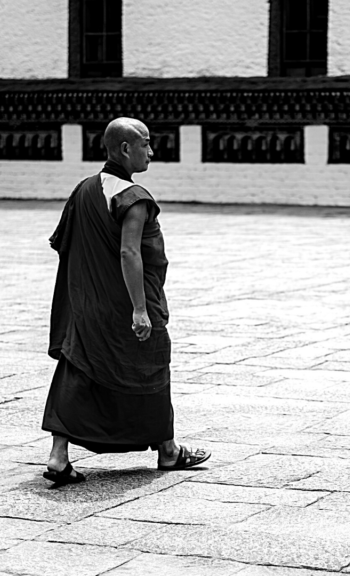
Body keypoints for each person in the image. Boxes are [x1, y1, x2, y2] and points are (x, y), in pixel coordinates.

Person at [41, 117, 210, 485]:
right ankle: (168, 451)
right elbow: (130, 254)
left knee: (79, 371)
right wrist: (139, 309)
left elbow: (66, 246)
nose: (151, 152)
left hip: (89, 303)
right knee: (151, 367)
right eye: (146, 144)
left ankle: (58, 456)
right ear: (124, 149)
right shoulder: (134, 199)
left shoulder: (84, 189)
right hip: (129, 302)